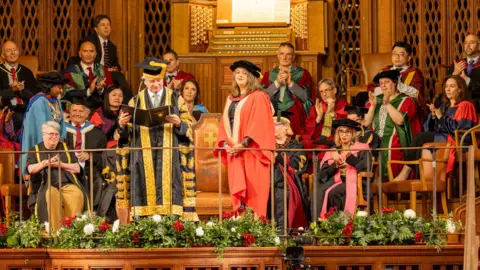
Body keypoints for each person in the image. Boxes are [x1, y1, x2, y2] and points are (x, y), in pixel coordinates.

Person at [116, 57, 198, 220]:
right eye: (152, 81)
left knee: (169, 191)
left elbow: (188, 128)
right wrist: (123, 125)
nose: (155, 85)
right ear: (144, 80)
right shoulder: (135, 100)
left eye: (159, 81)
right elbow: (126, 136)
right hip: (142, 156)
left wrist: (178, 123)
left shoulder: (176, 99)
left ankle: (171, 223)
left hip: (169, 155)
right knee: (143, 191)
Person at [214, 60, 275, 217]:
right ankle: (241, 231)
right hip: (235, 153)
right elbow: (224, 124)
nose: (240, 75)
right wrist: (227, 144)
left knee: (254, 193)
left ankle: (255, 233)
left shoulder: (259, 96)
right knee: (238, 197)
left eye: (244, 73)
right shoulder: (230, 98)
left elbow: (260, 125)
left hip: (252, 152)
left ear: (251, 77)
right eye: (237, 73)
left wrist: (243, 144)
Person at [395, 75, 477, 181]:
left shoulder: (465, 105)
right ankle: (421, 181)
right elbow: (433, 130)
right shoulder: (444, 106)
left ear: (460, 89)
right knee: (421, 146)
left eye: (452, 86)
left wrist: (441, 117)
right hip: (443, 138)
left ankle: (405, 172)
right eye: (446, 86)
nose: (448, 89)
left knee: (420, 137)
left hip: (457, 141)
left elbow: (459, 129)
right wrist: (433, 117)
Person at [26, 121, 89, 231]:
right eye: (51, 134)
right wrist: (46, 163)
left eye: (57, 134)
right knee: (51, 195)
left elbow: (77, 168)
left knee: (77, 194)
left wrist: (61, 164)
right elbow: (30, 169)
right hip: (46, 185)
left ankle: (71, 232)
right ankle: (55, 232)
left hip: (67, 183)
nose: (54, 137)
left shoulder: (65, 147)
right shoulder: (35, 150)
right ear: (43, 134)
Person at [363, 69, 419, 178]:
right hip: (375, 144)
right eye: (381, 83)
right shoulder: (375, 100)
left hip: (396, 145)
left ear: (395, 82)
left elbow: (400, 120)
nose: (383, 86)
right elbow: (366, 123)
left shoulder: (406, 100)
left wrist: (387, 103)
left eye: (387, 82)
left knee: (391, 152)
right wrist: (373, 106)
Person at [312, 119, 370, 219]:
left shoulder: (361, 148)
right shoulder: (332, 152)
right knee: (318, 192)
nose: (344, 135)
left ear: (353, 134)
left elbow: (366, 167)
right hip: (335, 181)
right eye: (341, 131)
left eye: (347, 132)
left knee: (334, 193)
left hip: (355, 181)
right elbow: (323, 175)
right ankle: (318, 224)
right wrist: (335, 164)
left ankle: (339, 223)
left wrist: (350, 158)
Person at [20, 72, 69, 176]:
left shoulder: (57, 101)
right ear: (49, 87)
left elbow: (61, 124)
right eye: (59, 87)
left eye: (62, 88)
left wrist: (62, 138)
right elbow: (41, 128)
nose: (61, 90)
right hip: (42, 141)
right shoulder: (39, 101)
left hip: (54, 140)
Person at [65, 97, 107, 214]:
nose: (77, 114)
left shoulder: (98, 134)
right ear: (69, 112)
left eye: (81, 111)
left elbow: (103, 155)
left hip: (90, 170)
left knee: (98, 180)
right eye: (74, 110)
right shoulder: (61, 132)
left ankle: (92, 212)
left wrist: (90, 156)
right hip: (67, 170)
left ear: (87, 114)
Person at [261, 42, 313, 135]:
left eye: (288, 54)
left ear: (293, 57)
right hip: (274, 110)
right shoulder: (269, 74)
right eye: (282, 54)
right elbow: (262, 97)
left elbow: (306, 98)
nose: (284, 58)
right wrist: (276, 83)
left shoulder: (302, 74)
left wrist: (290, 83)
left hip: (293, 111)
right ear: (278, 55)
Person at [269, 115, 309, 232]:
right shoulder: (267, 145)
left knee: (282, 191)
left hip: (290, 182)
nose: (272, 127)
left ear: (286, 127)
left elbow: (297, 167)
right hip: (268, 181)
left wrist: (279, 157)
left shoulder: (297, 146)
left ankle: (282, 231)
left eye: (275, 125)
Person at [81, 14, 132, 104]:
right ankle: (129, 103)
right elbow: (88, 59)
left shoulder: (112, 46)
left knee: (120, 75)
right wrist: (105, 69)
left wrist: (117, 69)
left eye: (108, 25)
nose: (106, 27)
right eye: (102, 25)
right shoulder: (89, 41)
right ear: (96, 29)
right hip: (95, 72)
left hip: (109, 74)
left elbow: (115, 64)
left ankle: (127, 104)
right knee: (119, 77)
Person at [0, 40, 38, 140]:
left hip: (26, 109)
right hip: (7, 109)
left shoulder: (26, 71)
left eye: (15, 50)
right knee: (19, 119)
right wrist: (12, 90)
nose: (13, 53)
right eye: (8, 51)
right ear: (3, 55)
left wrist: (21, 90)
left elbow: (35, 94)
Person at [63, 40, 113, 110]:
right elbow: (68, 94)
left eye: (91, 51)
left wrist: (100, 90)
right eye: (85, 51)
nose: (88, 54)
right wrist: (89, 91)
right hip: (78, 109)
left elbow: (111, 91)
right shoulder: (71, 71)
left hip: (101, 110)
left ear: (95, 54)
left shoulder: (103, 70)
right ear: (80, 54)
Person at [301, 78, 348, 152]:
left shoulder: (344, 106)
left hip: (335, 138)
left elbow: (346, 126)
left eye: (326, 90)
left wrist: (332, 114)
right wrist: (318, 118)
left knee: (323, 146)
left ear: (334, 90)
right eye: (321, 91)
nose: (324, 94)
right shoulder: (317, 107)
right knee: (304, 144)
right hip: (318, 138)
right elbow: (307, 129)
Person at [448, 34, 480, 110]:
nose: (468, 45)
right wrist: (454, 75)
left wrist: (467, 80)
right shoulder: (457, 64)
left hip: (476, 101)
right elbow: (445, 86)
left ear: (479, 46)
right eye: (466, 43)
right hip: (457, 100)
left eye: (471, 42)